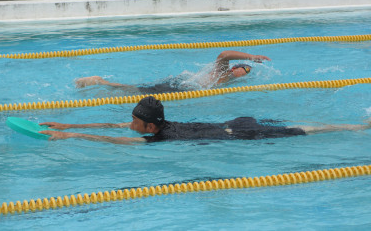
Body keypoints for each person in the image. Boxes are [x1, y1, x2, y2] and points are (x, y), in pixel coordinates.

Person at [40, 96, 371, 145]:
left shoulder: (159, 139)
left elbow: (117, 140)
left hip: (238, 134)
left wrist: (75, 138)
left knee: (301, 131)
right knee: (290, 125)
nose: (129, 125)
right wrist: (66, 126)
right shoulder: (158, 125)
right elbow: (114, 128)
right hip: (231, 122)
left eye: (135, 123)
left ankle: (359, 128)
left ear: (150, 128)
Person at [75, 50, 271, 91]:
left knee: (136, 90)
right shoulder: (223, 73)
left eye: (247, 71)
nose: (244, 72)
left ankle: (101, 83)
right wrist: (252, 57)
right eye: (244, 69)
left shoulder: (227, 80)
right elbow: (223, 54)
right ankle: (100, 81)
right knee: (133, 91)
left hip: (181, 84)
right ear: (235, 67)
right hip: (181, 87)